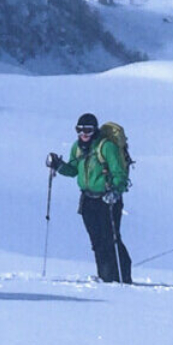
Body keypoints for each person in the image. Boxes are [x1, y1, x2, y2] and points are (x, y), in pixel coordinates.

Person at [47, 112, 132, 284]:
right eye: (79, 130)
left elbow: (120, 174)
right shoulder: (77, 148)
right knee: (97, 241)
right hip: (87, 200)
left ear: (95, 129)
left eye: (88, 129)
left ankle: (121, 277)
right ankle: (105, 276)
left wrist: (115, 192)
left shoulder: (106, 147)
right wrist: (59, 165)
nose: (83, 134)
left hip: (107, 200)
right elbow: (73, 170)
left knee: (111, 239)